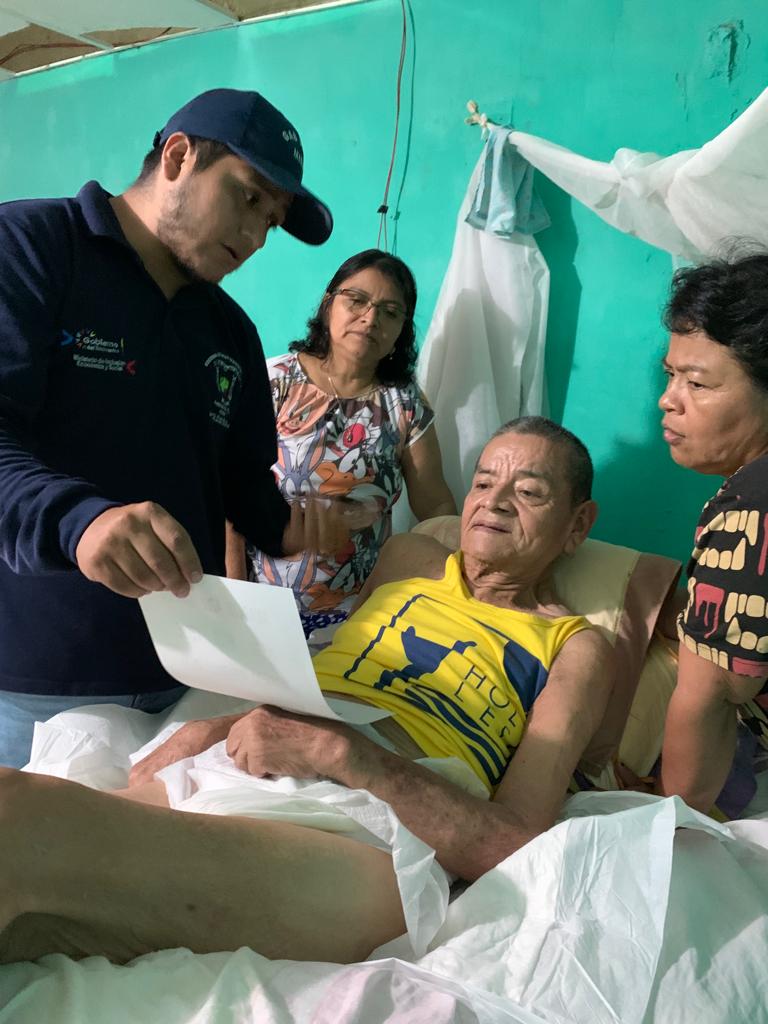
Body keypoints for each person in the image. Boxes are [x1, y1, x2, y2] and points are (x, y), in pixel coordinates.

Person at [0, 418, 614, 965]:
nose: (494, 502)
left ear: (577, 525)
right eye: (482, 482)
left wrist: (342, 754)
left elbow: (515, 843)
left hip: (373, 833)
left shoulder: (575, 647)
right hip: (252, 760)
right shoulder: (410, 558)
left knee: (17, 818)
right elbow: (326, 684)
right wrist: (212, 728)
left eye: (529, 492)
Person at [0, 88, 341, 769]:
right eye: (248, 197)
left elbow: (237, 481)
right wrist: (80, 522)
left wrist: (289, 527)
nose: (255, 238)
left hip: (186, 680)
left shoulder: (231, 332)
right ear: (179, 156)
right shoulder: (33, 245)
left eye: (271, 222)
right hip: (32, 681)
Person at [226, 250, 456, 639]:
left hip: (361, 614)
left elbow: (435, 506)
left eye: (390, 312)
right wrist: (236, 597)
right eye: (357, 300)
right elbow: (230, 498)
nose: (370, 319)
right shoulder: (273, 383)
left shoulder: (405, 405)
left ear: (402, 330)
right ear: (328, 304)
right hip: (261, 605)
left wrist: (435, 585)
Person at [656, 252, 768, 815]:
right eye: (671, 374)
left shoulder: (750, 511)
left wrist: (673, 825)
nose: (668, 399)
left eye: (697, 383)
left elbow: (711, 696)